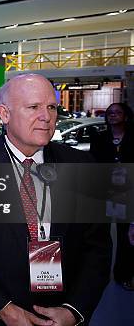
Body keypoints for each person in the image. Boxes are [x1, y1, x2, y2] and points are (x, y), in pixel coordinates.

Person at [0, 74, 111, 326]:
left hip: (61, 314)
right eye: (33, 107)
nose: (47, 116)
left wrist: (74, 310)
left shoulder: (82, 164)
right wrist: (6, 311)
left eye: (51, 107)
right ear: (4, 114)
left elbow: (97, 247)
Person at [90, 102, 134, 291]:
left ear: (126, 116)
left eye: (117, 112)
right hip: (104, 192)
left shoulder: (133, 138)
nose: (113, 115)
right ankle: (97, 274)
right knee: (99, 234)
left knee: (126, 236)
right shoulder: (100, 139)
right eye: (110, 113)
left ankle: (123, 274)